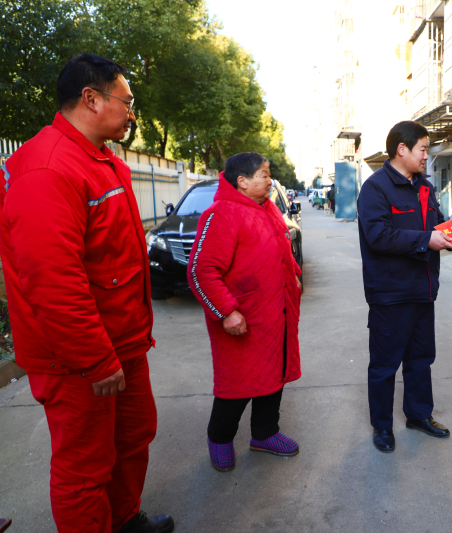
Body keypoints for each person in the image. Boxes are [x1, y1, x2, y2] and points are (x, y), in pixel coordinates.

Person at [0, 54, 173, 533]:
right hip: (78, 358)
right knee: (84, 467)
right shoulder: (47, 168)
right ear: (91, 99)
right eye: (127, 101)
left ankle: (123, 519)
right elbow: (52, 281)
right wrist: (95, 358)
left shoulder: (100, 158)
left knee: (133, 436)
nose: (132, 113)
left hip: (121, 343)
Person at [187, 153, 302, 472]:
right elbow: (200, 271)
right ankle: (220, 439)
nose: (269, 180)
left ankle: (265, 433)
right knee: (237, 385)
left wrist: (294, 275)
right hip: (243, 318)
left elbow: (283, 250)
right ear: (242, 181)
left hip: (276, 313)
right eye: (263, 174)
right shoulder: (221, 214)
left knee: (274, 375)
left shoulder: (268, 208)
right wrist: (227, 312)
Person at [357, 120, 452, 453]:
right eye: (423, 149)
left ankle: (418, 415)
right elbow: (378, 236)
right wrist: (426, 240)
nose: (427, 155)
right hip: (390, 294)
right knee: (385, 365)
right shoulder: (376, 188)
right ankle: (382, 426)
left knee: (420, 359)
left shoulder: (424, 187)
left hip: (423, 290)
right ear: (402, 149)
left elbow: (435, 225)